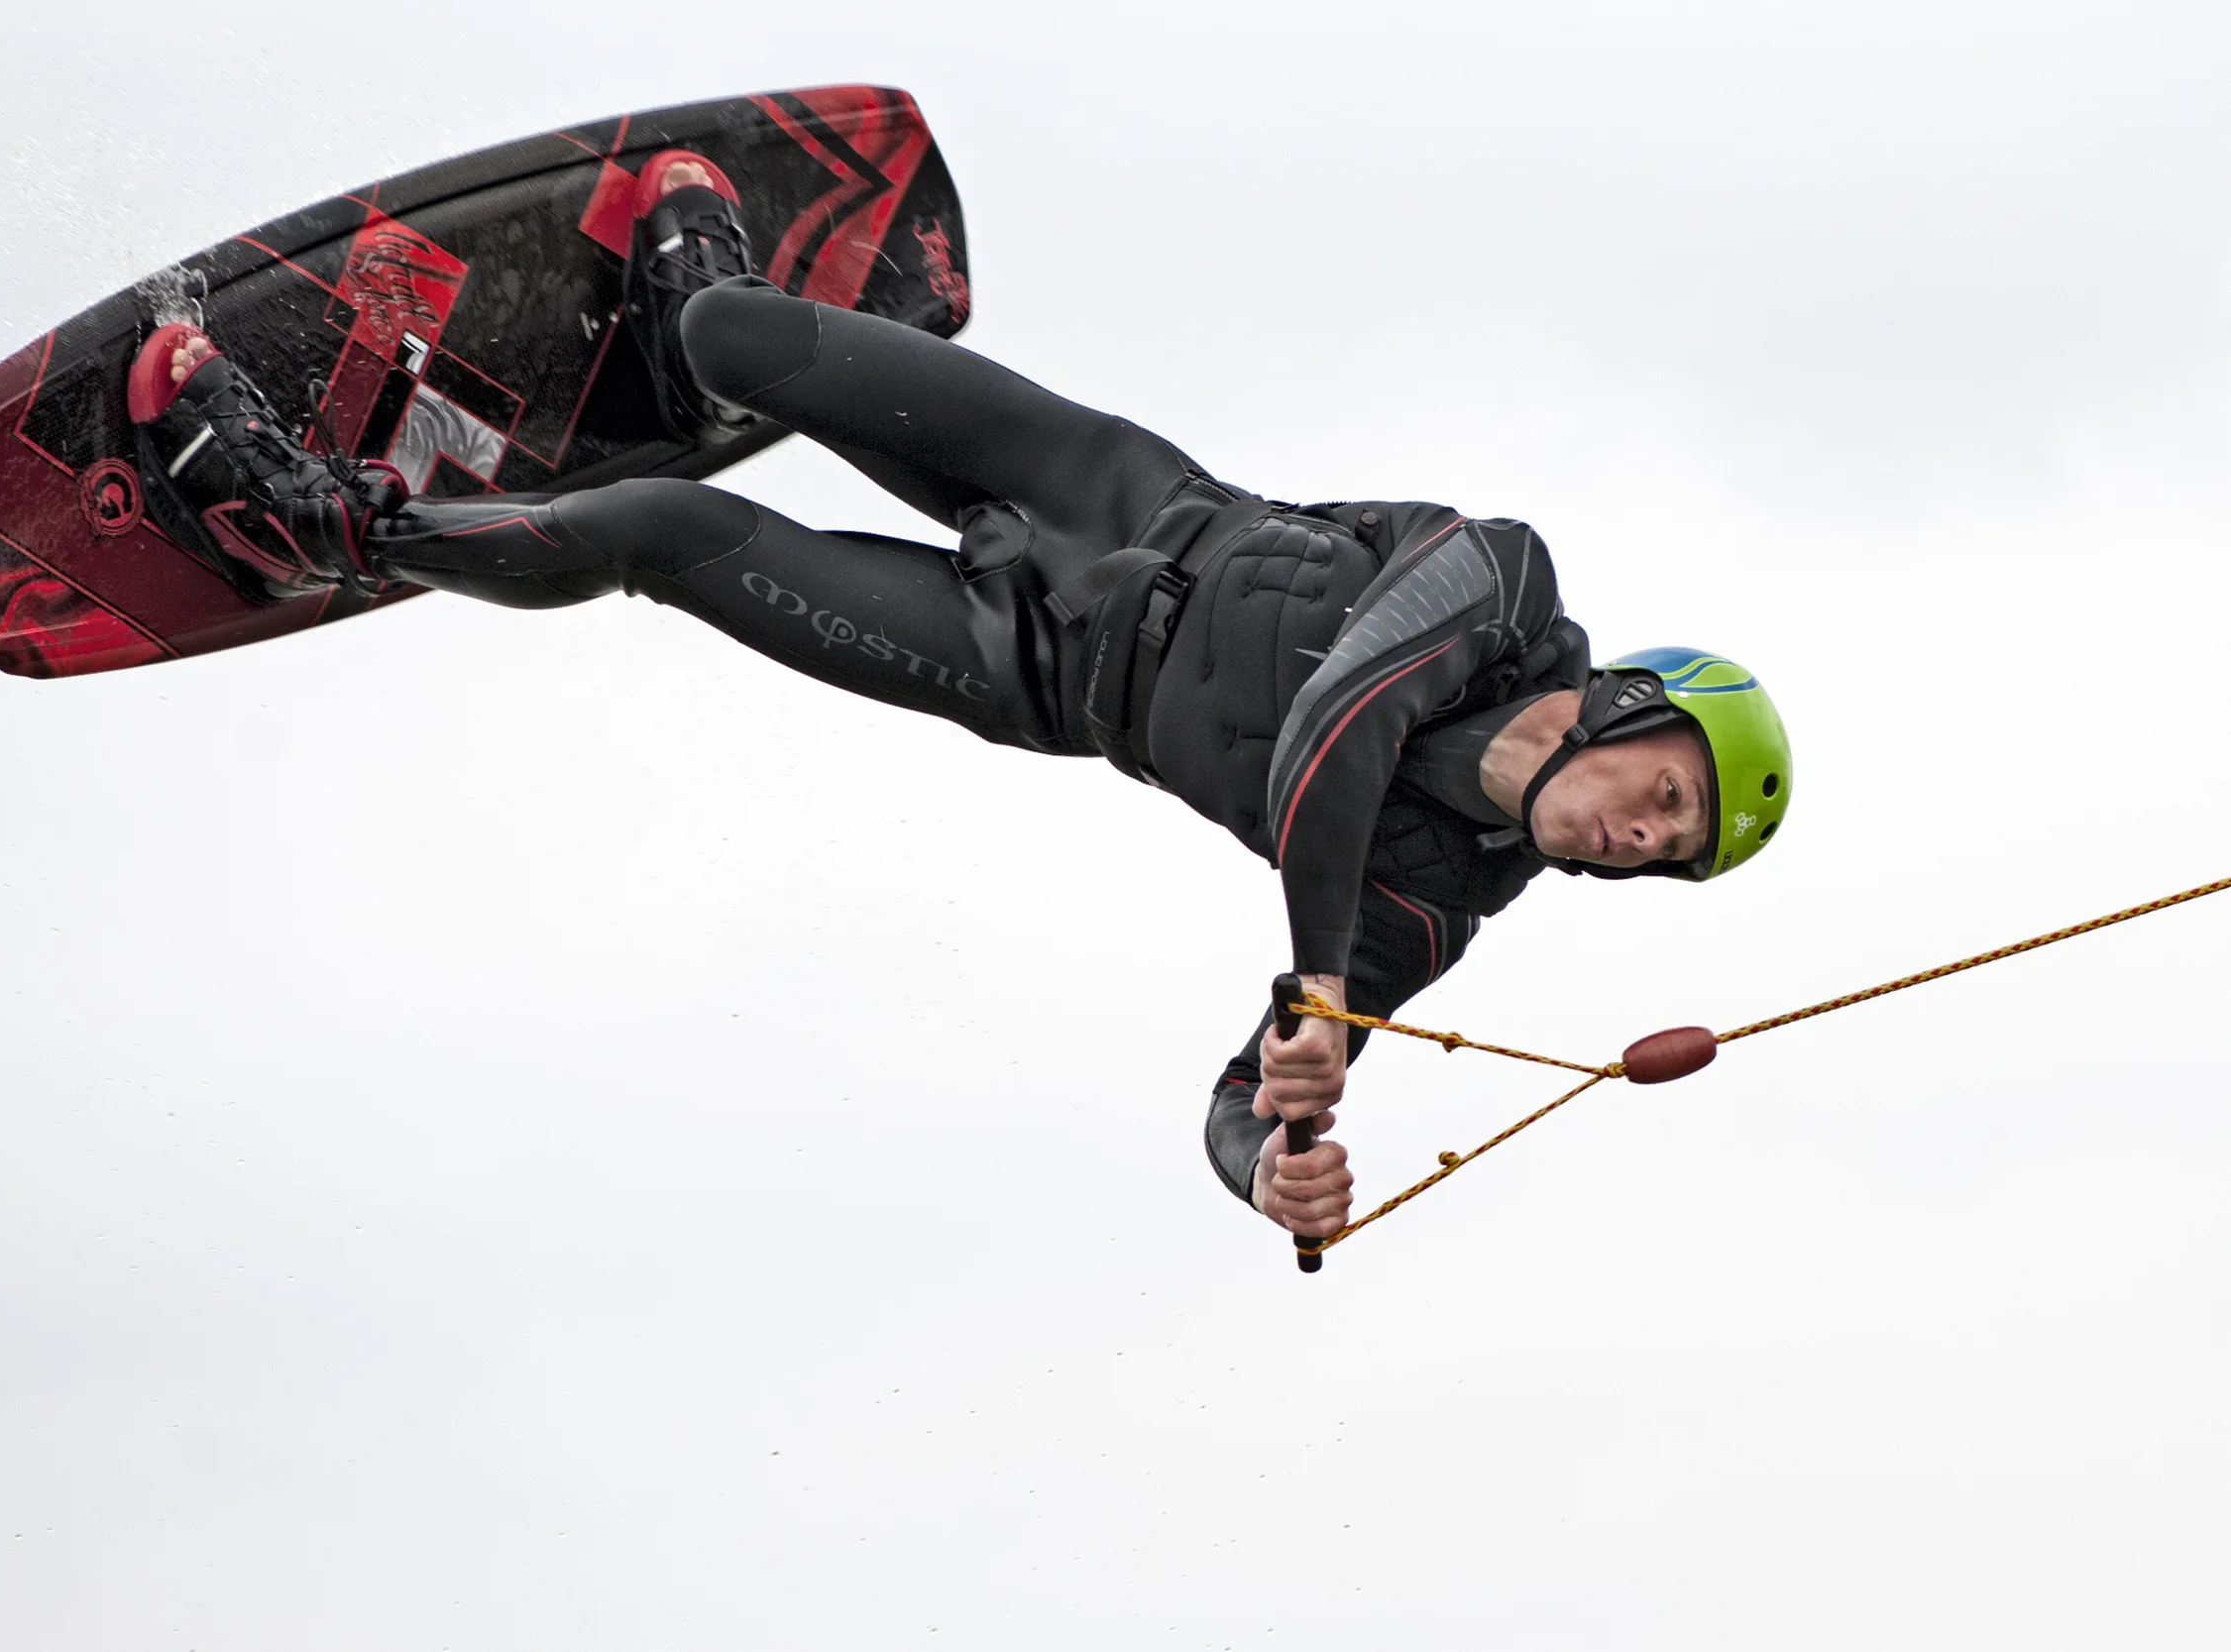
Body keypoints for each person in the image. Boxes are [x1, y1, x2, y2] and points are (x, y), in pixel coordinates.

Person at [124, 150, 1795, 1247]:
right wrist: (1317, 983)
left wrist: (1281, 1162)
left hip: (1025, 661)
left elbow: (1239, 1102)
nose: (1649, 834)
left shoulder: (1434, 900)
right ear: (1633, 703)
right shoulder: (1506, 585)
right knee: (729, 331)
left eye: (1670, 854)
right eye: (1673, 788)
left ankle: (337, 520)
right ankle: (677, 328)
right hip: (1110, 490)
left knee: (664, 531)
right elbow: (1336, 727)